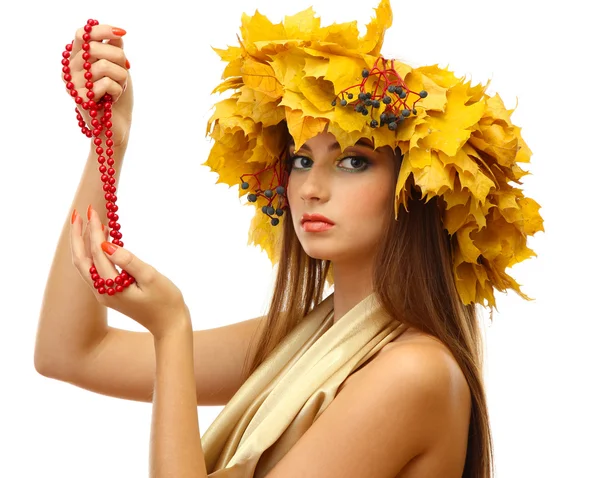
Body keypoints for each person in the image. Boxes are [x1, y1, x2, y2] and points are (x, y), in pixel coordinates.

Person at [34, 0, 543, 476]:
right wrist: (109, 141)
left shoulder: (415, 372)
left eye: (353, 161)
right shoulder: (305, 339)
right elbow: (70, 351)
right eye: (302, 160)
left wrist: (172, 331)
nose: (312, 188)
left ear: (416, 189)